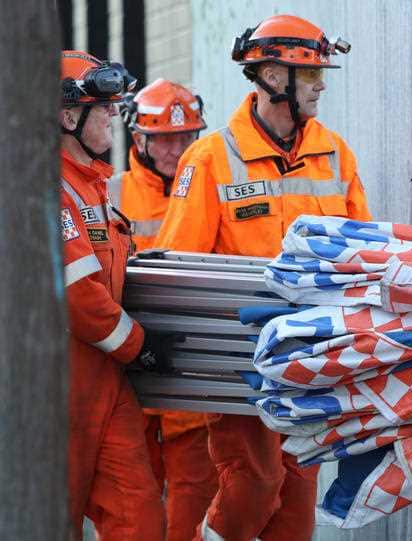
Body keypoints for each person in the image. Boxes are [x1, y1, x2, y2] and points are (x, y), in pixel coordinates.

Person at [153, 15, 371, 541]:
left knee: (296, 502)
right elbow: (179, 266)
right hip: (238, 360)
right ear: (273, 77)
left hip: (312, 358)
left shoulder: (335, 154)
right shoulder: (210, 159)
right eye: (311, 74)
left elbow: (363, 256)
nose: (321, 86)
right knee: (255, 482)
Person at [60, 49, 176, 540]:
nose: (113, 113)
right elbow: (76, 295)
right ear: (68, 117)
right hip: (55, 387)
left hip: (105, 380)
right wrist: (140, 345)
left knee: (139, 517)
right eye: (102, 106)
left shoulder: (92, 185)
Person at [109, 78, 219, 541]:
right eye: (164, 139)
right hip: (129, 371)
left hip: (188, 373)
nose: (176, 149)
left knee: (193, 505)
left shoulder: (211, 187)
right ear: (140, 140)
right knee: (132, 507)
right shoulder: (111, 194)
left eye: (185, 137)